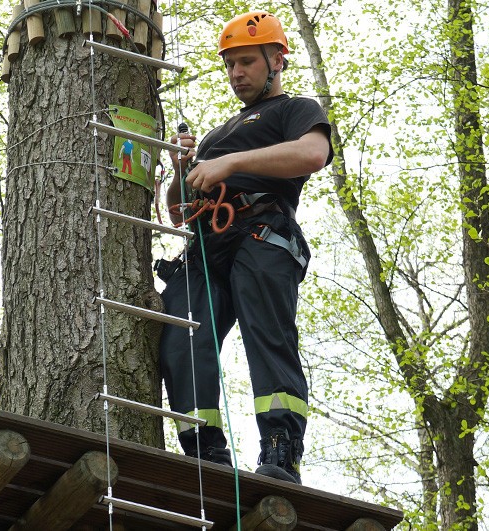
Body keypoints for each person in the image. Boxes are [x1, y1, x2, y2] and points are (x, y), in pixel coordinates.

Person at [157, 10, 333, 484]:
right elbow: (177, 210)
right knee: (179, 334)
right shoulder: (218, 135)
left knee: (267, 339)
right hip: (206, 246)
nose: (236, 74)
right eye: (230, 64)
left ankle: (280, 450)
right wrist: (183, 169)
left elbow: (313, 154)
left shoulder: (294, 110)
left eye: (247, 62)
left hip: (261, 233)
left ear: (276, 60)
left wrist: (229, 164)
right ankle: (203, 446)